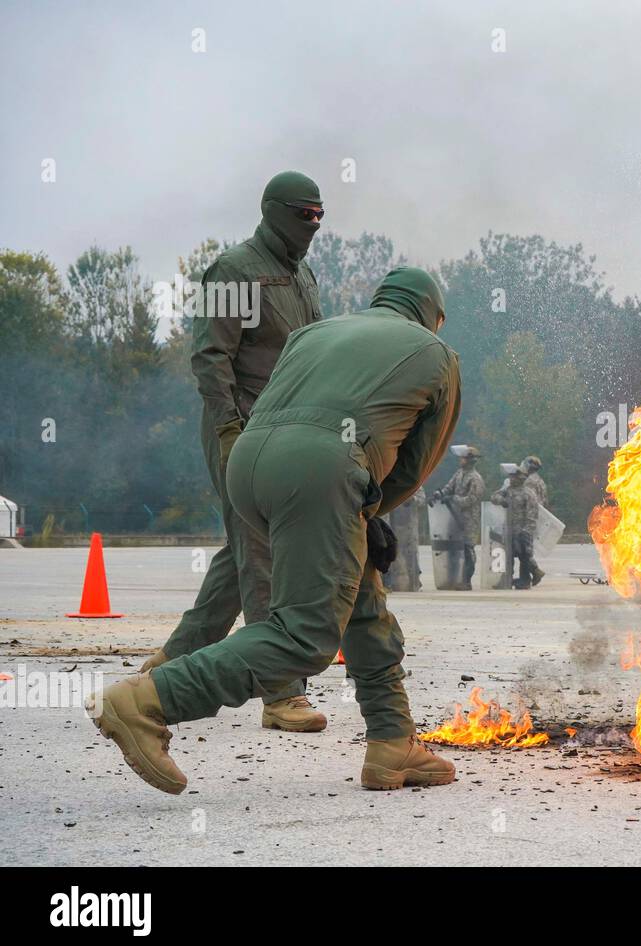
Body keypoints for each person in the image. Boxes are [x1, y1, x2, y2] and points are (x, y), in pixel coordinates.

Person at [88, 267, 462, 794]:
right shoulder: (435, 353)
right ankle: (146, 702)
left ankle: (391, 742)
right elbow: (416, 464)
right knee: (304, 633)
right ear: (432, 315)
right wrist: (372, 503)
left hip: (249, 462)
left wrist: (356, 506)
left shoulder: (316, 332)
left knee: (360, 600)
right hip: (321, 466)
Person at [140, 171, 326, 733]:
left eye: (320, 215)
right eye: (303, 213)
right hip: (243, 430)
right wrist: (228, 433)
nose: (312, 224)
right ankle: (281, 692)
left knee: (242, 552)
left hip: (289, 432)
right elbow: (209, 359)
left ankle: (173, 662)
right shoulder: (234, 271)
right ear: (273, 211)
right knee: (263, 555)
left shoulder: (302, 276)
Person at [434, 445, 485, 590]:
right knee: (453, 549)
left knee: (467, 549)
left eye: (463, 458)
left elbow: (471, 499)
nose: (460, 460)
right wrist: (440, 494)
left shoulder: (475, 479)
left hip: (469, 520)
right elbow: (449, 487)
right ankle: (453, 579)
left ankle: (466, 581)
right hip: (454, 517)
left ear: (469, 460)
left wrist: (453, 498)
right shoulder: (459, 473)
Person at [491, 464, 543, 588]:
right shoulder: (508, 490)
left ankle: (526, 580)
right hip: (509, 530)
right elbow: (493, 497)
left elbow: (532, 516)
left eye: (514, 477)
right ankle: (506, 580)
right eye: (510, 476)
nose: (511, 479)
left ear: (521, 478)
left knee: (524, 556)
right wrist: (501, 500)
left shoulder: (528, 494)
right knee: (508, 557)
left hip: (522, 531)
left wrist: (526, 532)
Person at [382, 487, 426, 592]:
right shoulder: (394, 482)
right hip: (394, 526)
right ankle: (392, 582)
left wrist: (412, 499)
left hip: (409, 527)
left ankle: (414, 580)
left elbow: (422, 500)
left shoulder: (415, 484)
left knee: (411, 554)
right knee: (393, 554)